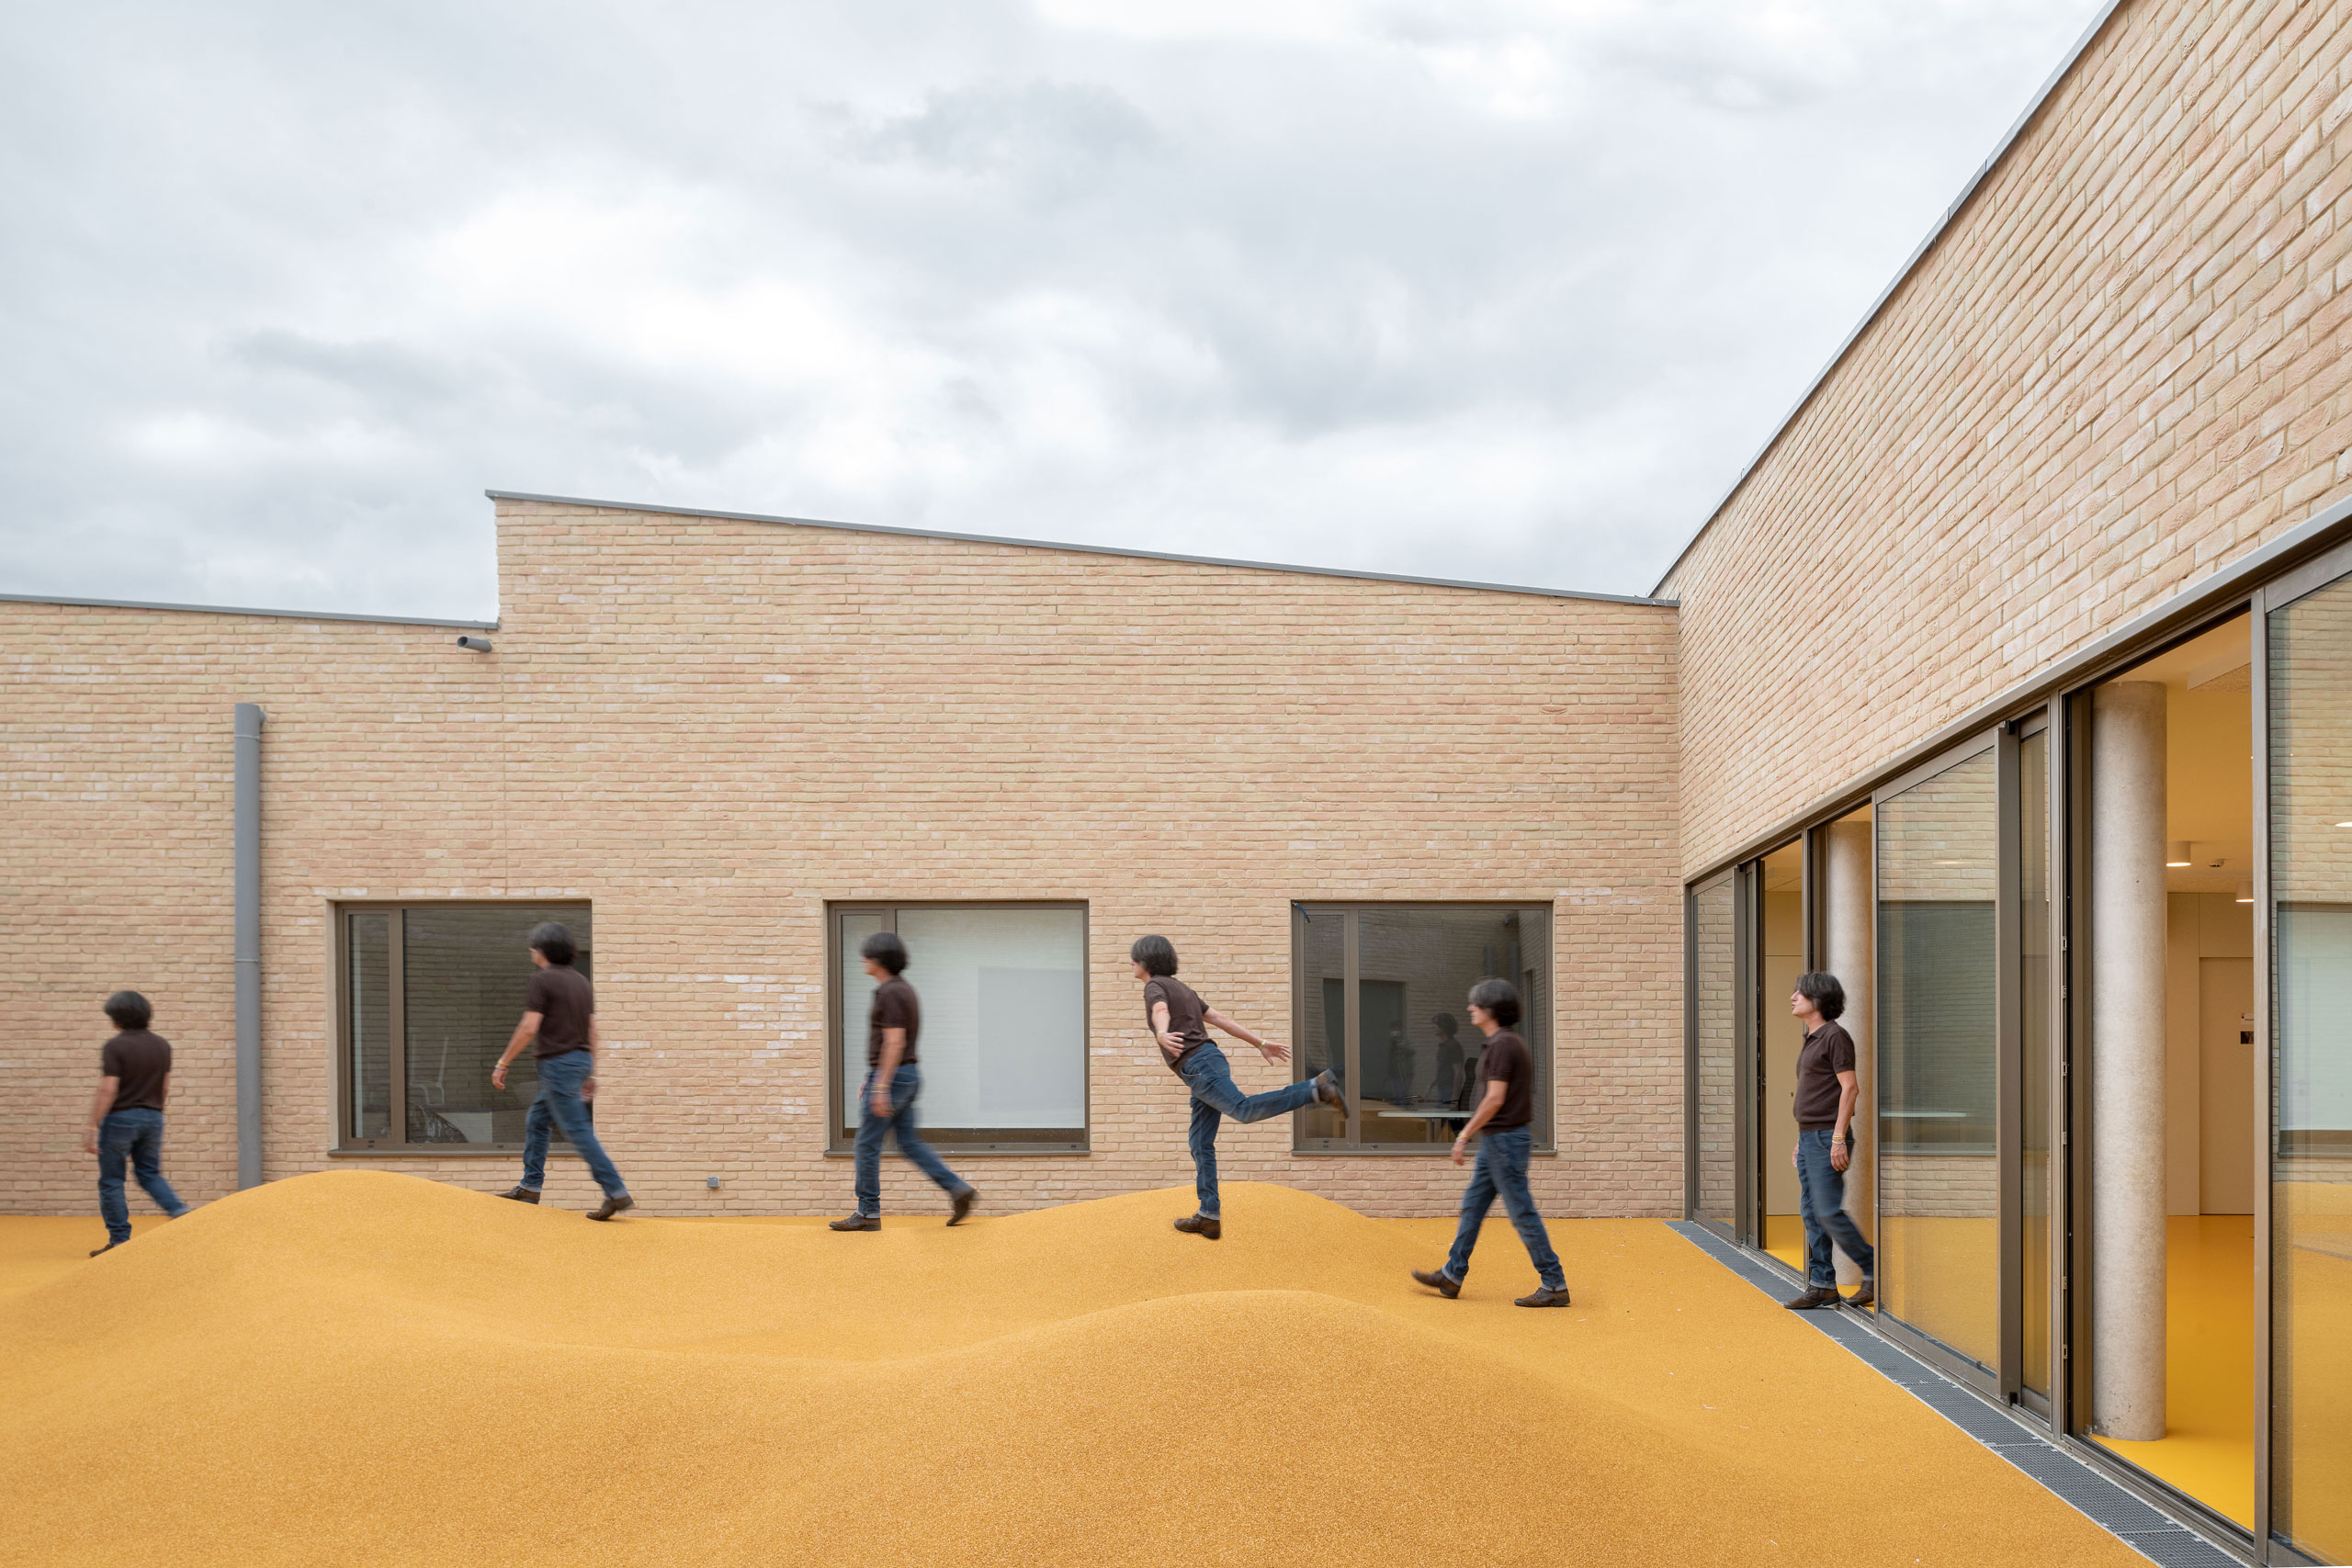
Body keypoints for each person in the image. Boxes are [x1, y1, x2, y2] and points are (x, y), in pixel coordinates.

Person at [1136, 934, 1347, 1239]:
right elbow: (1218, 1019)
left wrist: (1162, 1034)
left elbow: (1159, 1011)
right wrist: (1259, 1042)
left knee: (1244, 1110)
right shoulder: (1183, 989)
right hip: (1206, 1065)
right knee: (1200, 1143)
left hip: (1200, 1067)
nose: (1130, 962)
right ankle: (1209, 1216)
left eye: (1134, 957)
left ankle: (1315, 1089)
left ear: (1146, 960)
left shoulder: (1155, 986)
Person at [1411, 978, 1570, 1307]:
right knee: (1472, 1207)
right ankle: (1452, 1274)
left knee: (1522, 1213)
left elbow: (1495, 1098)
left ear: (1491, 1009)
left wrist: (1464, 1135)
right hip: (1498, 1142)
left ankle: (1554, 1283)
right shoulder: (1505, 1042)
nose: (1470, 1008)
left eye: (1476, 1004)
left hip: (1504, 1142)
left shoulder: (1503, 1045)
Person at [831, 931, 977, 1231]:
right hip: (904, 1075)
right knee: (908, 1142)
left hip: (895, 1077)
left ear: (879, 959)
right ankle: (957, 1188)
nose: (862, 959)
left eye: (866, 955)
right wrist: (873, 1076)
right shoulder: (901, 989)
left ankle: (868, 1213)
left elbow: (894, 1042)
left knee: (866, 1144)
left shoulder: (891, 992)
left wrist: (881, 1085)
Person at [491, 922, 633, 1220]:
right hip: (578, 1062)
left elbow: (529, 1027)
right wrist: (592, 1072)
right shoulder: (581, 982)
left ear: (542, 949)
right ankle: (530, 1187)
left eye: (533, 945)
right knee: (537, 1119)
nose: (530, 950)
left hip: (558, 1064)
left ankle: (615, 1190)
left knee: (578, 1129)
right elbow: (593, 1031)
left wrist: (503, 1062)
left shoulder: (543, 980)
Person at [1781, 971, 1875, 1310]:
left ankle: (1874, 1267)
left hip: (1826, 1138)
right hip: (1810, 1137)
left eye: (1800, 993)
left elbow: (1850, 1089)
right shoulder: (1812, 1038)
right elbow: (1815, 1094)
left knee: (1826, 1211)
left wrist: (1837, 1139)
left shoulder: (1836, 1036)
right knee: (1811, 1212)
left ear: (1818, 1000)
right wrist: (1800, 1139)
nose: (1792, 997)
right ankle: (1822, 1285)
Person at [85, 990, 189, 1257]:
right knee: (149, 1173)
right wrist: (153, 1112)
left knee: (112, 1180)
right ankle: (178, 1210)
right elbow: (164, 1087)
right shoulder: (162, 1045)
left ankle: (120, 1240)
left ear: (116, 1018)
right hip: (153, 1116)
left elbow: (109, 1089)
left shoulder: (115, 1046)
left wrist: (92, 1126)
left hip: (121, 1117)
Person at [1430, 1012, 1464, 1103]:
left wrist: (1454, 1097)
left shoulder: (1453, 1046)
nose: (1434, 1026)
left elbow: (1458, 1072)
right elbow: (1441, 1068)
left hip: (1449, 1090)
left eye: (1436, 1024)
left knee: (1446, 1116)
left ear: (1444, 1026)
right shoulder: (1443, 1045)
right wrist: (1431, 1085)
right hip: (1442, 1088)